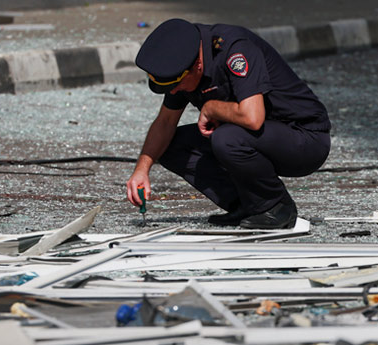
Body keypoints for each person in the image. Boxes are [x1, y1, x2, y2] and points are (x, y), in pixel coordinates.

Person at [126, 18, 331, 229]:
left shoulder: (234, 49)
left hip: (305, 138)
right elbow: (165, 122)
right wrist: (142, 170)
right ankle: (246, 205)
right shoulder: (185, 56)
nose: (174, 91)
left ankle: (276, 208)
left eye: (177, 84)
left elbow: (252, 117)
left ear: (197, 65)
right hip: (259, 138)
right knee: (170, 145)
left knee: (226, 138)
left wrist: (212, 108)